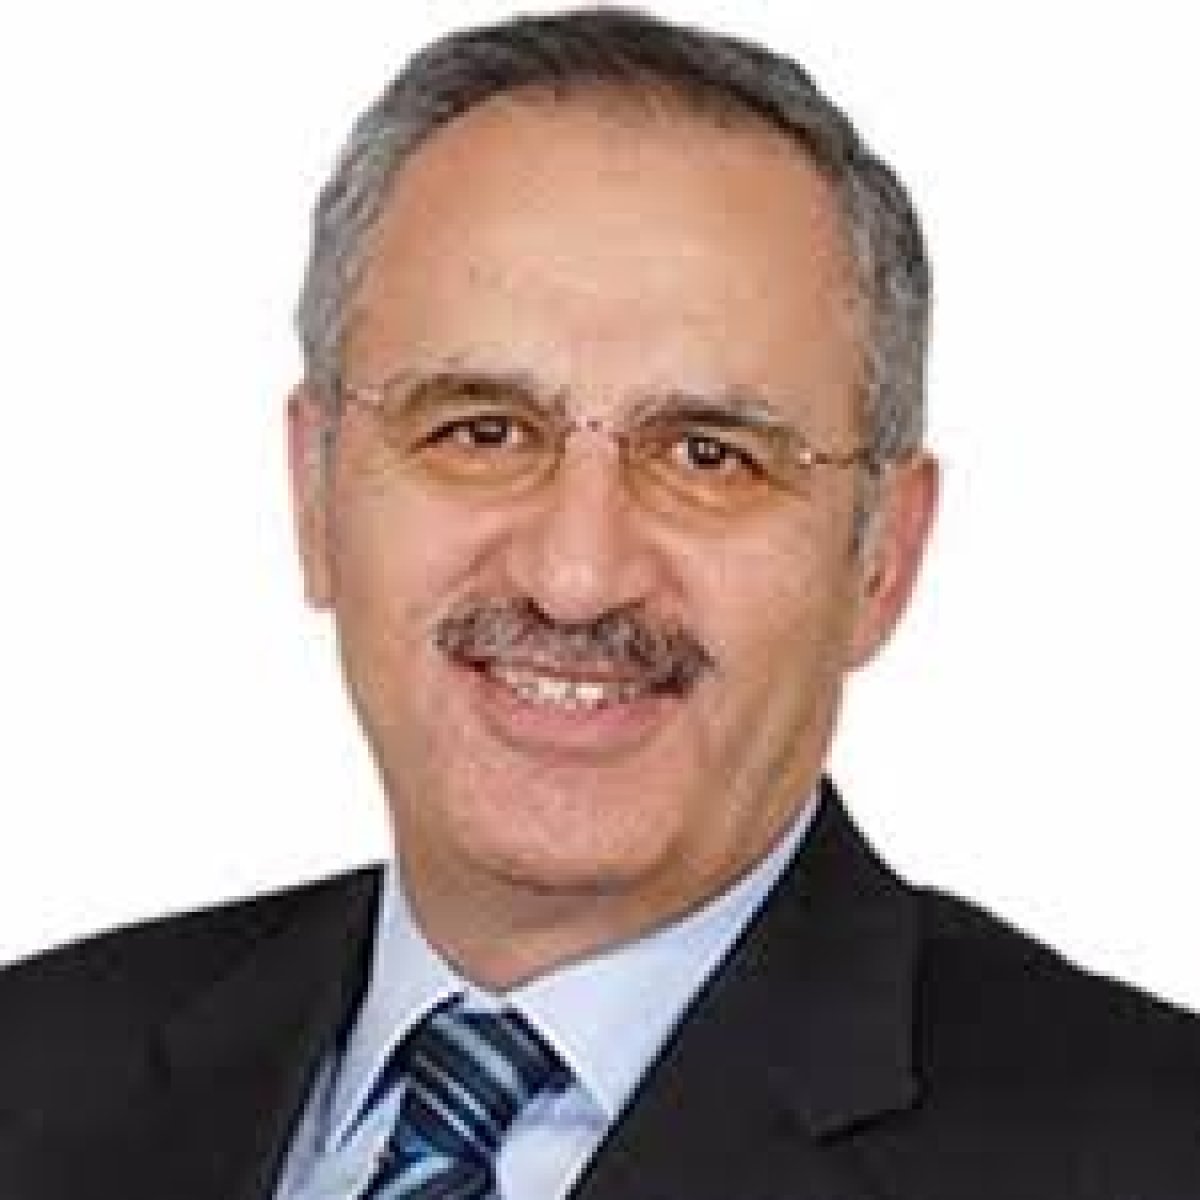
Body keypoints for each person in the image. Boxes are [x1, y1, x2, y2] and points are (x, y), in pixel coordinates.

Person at [1, 7, 1196, 1198]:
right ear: (314, 494)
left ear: (883, 555)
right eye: (480, 432)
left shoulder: (1149, 1151)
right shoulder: (34, 1069)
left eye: (710, 456)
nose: (576, 576)